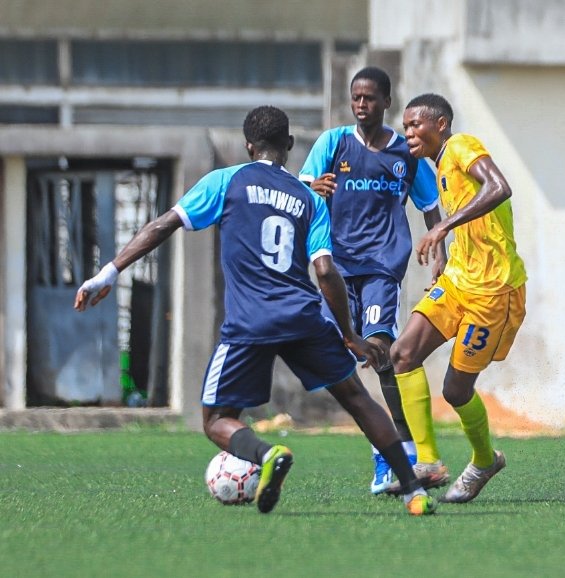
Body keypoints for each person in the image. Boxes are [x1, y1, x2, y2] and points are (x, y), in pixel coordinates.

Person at [74, 105, 436, 516]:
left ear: (248, 145)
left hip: (250, 322)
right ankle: (413, 491)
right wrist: (349, 335)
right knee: (356, 398)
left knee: (215, 419)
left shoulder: (226, 182)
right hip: (304, 316)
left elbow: (162, 225)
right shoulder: (307, 196)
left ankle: (267, 455)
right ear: (289, 145)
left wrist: (109, 272)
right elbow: (325, 271)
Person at [298, 66, 446, 495]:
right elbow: (304, 188)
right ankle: (391, 449)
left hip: (383, 266)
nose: (361, 105)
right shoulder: (333, 142)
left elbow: (430, 206)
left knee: (382, 349)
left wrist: (441, 252)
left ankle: (399, 453)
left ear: (386, 101)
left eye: (369, 98)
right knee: (337, 360)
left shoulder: (406, 153)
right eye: (355, 98)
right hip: (337, 267)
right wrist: (316, 188)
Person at [387, 93, 527, 503]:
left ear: (441, 124)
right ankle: (427, 462)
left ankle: (484, 460)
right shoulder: (437, 167)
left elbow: (500, 187)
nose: (408, 132)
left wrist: (442, 227)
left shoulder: (462, 145)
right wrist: (445, 257)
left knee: (455, 390)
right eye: (406, 126)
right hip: (457, 281)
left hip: (493, 290)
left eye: (416, 124)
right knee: (402, 354)